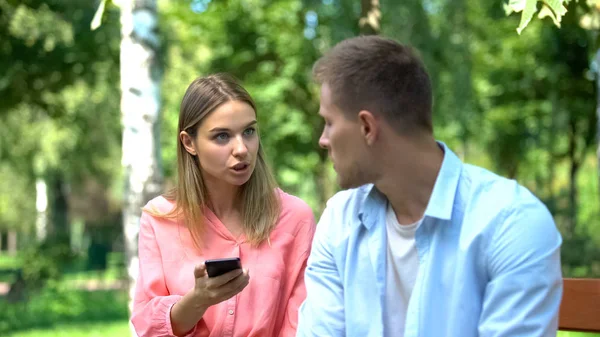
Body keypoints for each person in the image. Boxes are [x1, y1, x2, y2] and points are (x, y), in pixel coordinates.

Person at [296, 36, 563, 337]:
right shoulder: (339, 221)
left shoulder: (512, 223)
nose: (323, 139)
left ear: (367, 127)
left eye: (329, 122)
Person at [130, 73, 316, 337]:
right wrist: (197, 300)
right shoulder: (160, 218)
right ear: (189, 142)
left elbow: (303, 324)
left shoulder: (295, 218)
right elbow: (147, 326)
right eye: (222, 136)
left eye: (249, 131)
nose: (242, 149)